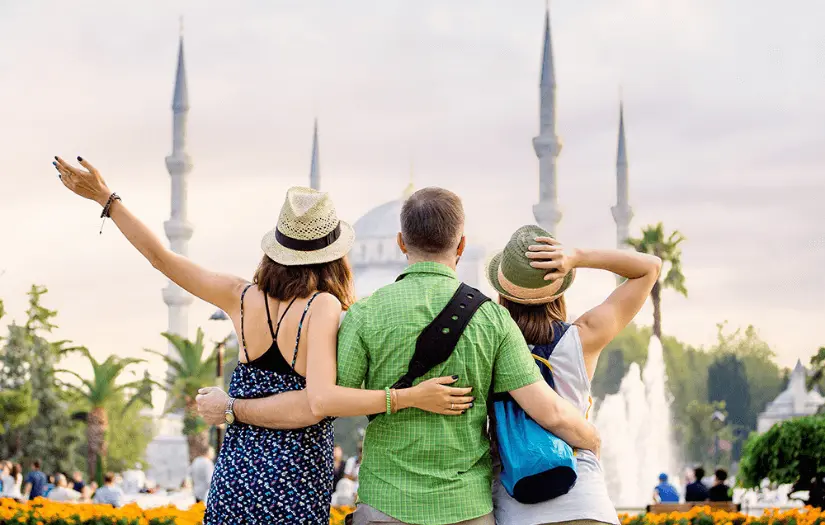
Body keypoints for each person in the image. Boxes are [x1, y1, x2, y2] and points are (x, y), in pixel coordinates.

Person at [53, 158, 471, 524]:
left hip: (237, 473)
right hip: (294, 479)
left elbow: (161, 258)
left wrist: (106, 198)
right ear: (333, 254)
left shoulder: (240, 297)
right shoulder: (323, 307)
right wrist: (409, 397)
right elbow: (318, 402)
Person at [196, 187, 600, 525]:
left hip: (385, 505)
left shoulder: (364, 315)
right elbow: (548, 411)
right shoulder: (492, 319)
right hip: (464, 507)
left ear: (402, 243)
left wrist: (233, 407)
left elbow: (324, 401)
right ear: (461, 245)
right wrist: (592, 439)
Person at [487, 224, 661, 525]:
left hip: (517, 506)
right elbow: (649, 267)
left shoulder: (486, 347)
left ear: (503, 294)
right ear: (560, 289)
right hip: (585, 501)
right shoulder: (582, 338)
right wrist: (577, 257)